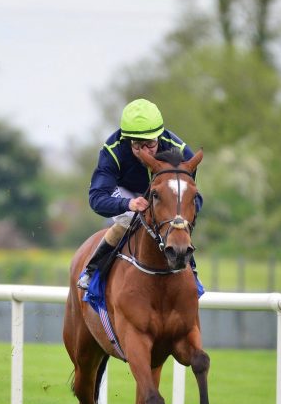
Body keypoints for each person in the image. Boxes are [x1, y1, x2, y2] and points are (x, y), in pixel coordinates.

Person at [77, 98, 201, 289]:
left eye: (150, 144)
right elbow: (96, 199)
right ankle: (93, 269)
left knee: (176, 218)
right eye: (137, 145)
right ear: (127, 140)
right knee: (128, 218)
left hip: (163, 194)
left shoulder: (182, 152)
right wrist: (128, 204)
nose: (145, 152)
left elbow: (193, 197)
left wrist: (180, 214)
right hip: (126, 192)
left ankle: (190, 268)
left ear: (159, 137)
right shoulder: (112, 151)